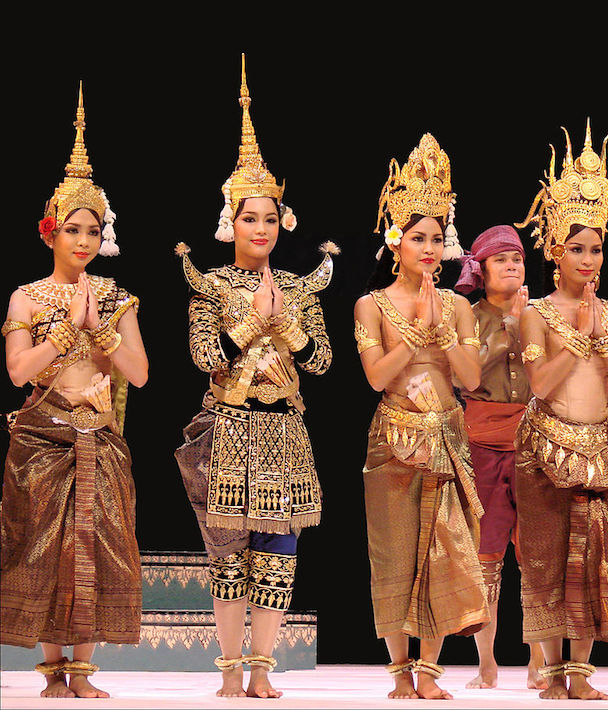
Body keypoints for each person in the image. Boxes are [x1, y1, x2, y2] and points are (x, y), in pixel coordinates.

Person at [174, 56, 334, 699]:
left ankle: (264, 669)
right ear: (230, 222)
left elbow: (322, 362)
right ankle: (230, 671)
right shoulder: (210, 286)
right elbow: (203, 358)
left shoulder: (299, 288)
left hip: (285, 430)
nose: (261, 229)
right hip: (232, 428)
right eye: (249, 219)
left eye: (270, 219)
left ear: (281, 222)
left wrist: (288, 326)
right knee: (229, 557)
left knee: (279, 554)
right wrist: (250, 327)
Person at [1, 84, 147, 699]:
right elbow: (16, 372)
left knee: (98, 545)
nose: (83, 241)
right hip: (44, 438)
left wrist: (103, 330)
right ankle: (51, 670)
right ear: (50, 232)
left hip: (100, 436)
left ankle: (83, 673)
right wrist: (67, 331)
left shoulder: (116, 297)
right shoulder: (28, 298)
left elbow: (138, 374)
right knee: (44, 547)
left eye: (93, 231)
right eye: (72, 230)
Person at [513, 122, 608, 700]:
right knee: (545, 556)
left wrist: (603, 335)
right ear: (554, 251)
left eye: (595, 249)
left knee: (596, 557)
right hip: (546, 442)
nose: (588, 259)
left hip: (602, 447)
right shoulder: (536, 312)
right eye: (577, 249)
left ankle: (581, 675)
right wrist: (574, 338)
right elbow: (537, 387)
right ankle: (548, 671)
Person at [355, 133, 489, 700]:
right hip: (393, 437)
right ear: (396, 241)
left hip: (448, 436)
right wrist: (416, 337)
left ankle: (430, 673)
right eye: (418, 238)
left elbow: (472, 378)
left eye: (437, 238)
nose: (429, 248)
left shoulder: (458, 304)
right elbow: (376, 377)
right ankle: (399, 675)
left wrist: (444, 331)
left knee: (445, 546)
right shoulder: (371, 304)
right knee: (394, 551)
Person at [454, 225, 548, 690]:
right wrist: (511, 323)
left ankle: (538, 662)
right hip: (482, 438)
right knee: (487, 555)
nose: (512, 266)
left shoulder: (543, 314)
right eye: (501, 260)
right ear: (482, 268)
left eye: (518, 259)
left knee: (535, 556)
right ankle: (486, 662)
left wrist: (525, 320)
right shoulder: (466, 316)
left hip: (535, 440)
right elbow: (469, 377)